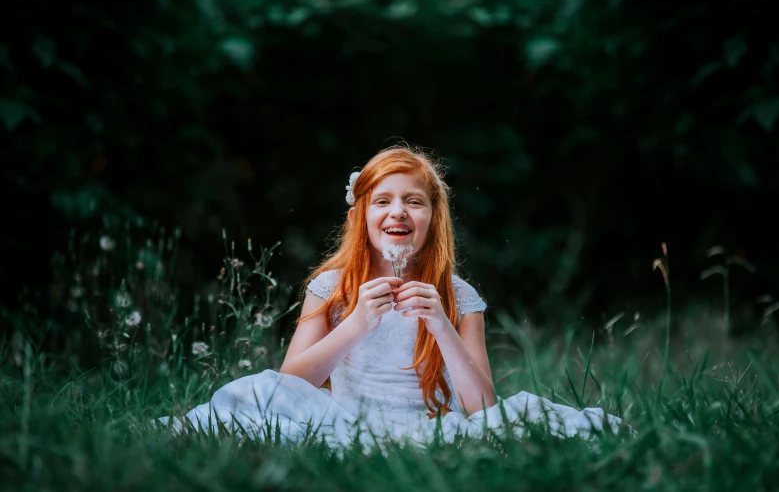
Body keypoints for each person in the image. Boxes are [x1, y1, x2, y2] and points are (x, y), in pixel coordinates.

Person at [159, 146, 623, 449]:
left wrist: (441, 323)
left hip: (431, 428)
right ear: (362, 215)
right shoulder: (333, 286)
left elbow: (481, 407)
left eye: (413, 201)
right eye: (382, 201)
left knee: (525, 423)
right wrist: (357, 323)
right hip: (343, 420)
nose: (398, 210)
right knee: (255, 396)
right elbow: (291, 384)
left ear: (431, 218)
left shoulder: (461, 297)